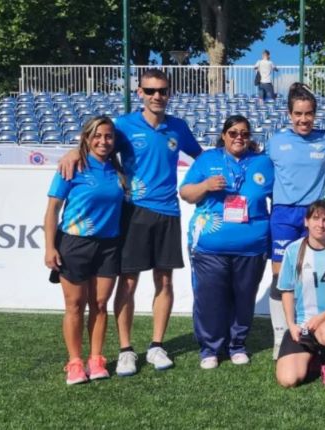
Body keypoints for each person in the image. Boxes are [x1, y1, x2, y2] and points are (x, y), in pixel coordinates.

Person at [59, 68, 203, 376]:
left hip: (168, 213)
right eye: (150, 91)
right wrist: (74, 150)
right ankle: (126, 350)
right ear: (140, 93)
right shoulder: (123, 126)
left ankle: (156, 345)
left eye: (162, 90)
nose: (156, 96)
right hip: (133, 211)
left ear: (169, 93)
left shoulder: (179, 127)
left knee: (164, 281)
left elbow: (201, 158)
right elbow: (96, 139)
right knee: (128, 282)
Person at [179, 115, 274, 369]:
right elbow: (185, 193)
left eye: (244, 133)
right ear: (223, 135)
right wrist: (206, 185)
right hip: (210, 246)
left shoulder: (263, 163)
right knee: (210, 298)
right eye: (233, 133)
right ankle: (210, 348)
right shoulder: (208, 159)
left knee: (244, 297)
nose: (238, 137)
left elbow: (278, 198)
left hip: (252, 246)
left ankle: (237, 345)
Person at [44, 116, 125, 384]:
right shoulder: (73, 166)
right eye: (97, 136)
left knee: (100, 305)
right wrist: (49, 248)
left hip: (109, 246)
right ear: (87, 138)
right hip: (75, 243)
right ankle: (75, 362)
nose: (103, 141)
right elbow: (52, 210)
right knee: (74, 305)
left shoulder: (118, 170)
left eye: (109, 136)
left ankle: (96, 359)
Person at [266, 83, 325, 359]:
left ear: (315, 114)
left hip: (314, 214)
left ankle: (314, 329)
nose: (304, 119)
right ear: (289, 114)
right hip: (284, 214)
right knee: (280, 277)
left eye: (308, 113)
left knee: (311, 275)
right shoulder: (276, 142)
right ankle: (280, 334)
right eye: (298, 113)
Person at [275, 201, 325, 387]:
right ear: (306, 221)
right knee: (288, 380)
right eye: (315, 219)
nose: (320, 225)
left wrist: (322, 317)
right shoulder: (293, 250)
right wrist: (291, 325)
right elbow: (286, 290)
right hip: (304, 323)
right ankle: (313, 358)